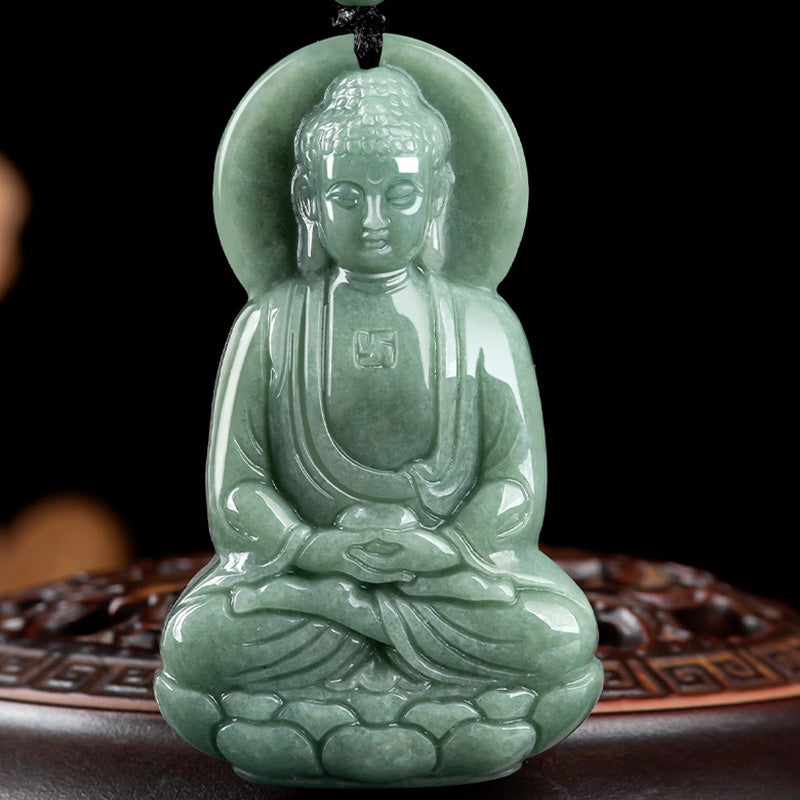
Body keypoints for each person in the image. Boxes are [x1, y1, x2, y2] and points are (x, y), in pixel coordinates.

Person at [156, 66, 602, 786]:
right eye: (345, 196)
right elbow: (235, 494)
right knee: (194, 642)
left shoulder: (483, 322)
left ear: (437, 197)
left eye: (399, 195)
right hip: (306, 577)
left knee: (558, 633)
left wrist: (444, 548)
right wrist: (315, 549)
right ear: (308, 200)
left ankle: (340, 652)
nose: (372, 220)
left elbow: (515, 487)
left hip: (443, 578)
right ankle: (419, 684)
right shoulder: (270, 323)